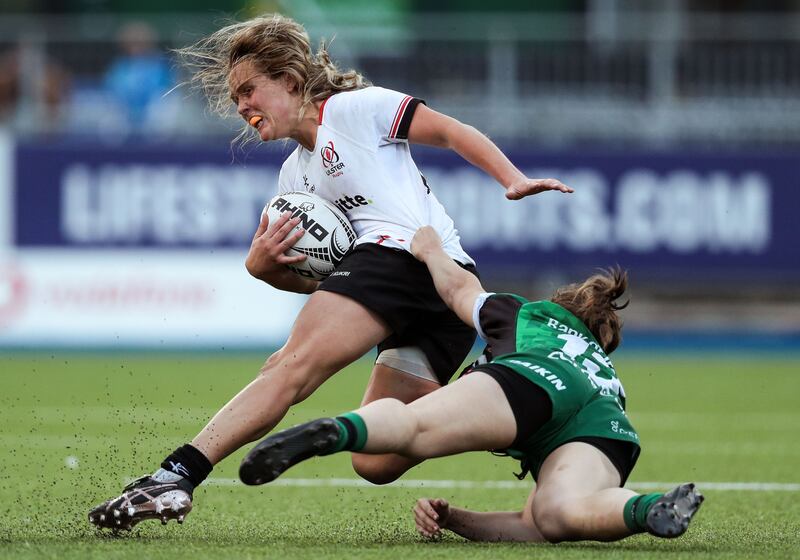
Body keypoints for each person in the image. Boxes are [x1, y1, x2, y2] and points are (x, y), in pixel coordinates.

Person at [88, 13, 571, 531]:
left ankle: (176, 474)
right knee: (376, 461)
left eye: (249, 90)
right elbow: (320, 281)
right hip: (420, 288)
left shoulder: (355, 109)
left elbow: (452, 132)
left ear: (291, 81)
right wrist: (264, 269)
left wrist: (512, 178)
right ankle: (512, 405)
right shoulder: (293, 179)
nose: (242, 106)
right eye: (235, 100)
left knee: (289, 366)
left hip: (410, 260)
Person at [236, 226, 704, 543]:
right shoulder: (602, 368)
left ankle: (335, 432)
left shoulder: (530, 315)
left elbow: (459, 291)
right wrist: (456, 519)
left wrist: (430, 250)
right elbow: (532, 528)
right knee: (560, 512)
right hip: (607, 427)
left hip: (535, 376)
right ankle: (647, 509)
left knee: (414, 425)